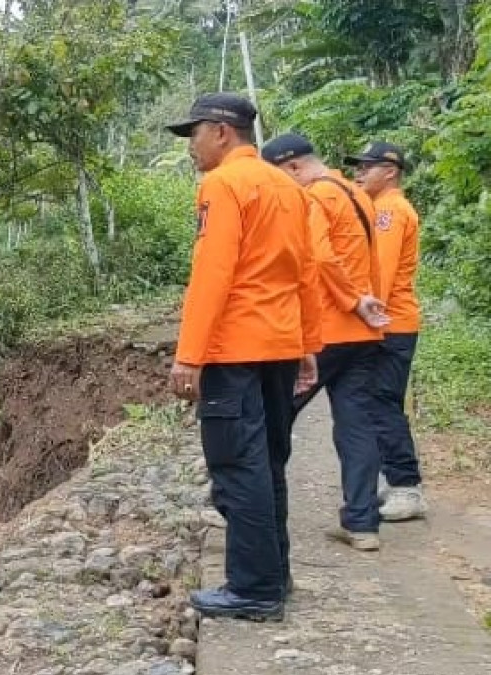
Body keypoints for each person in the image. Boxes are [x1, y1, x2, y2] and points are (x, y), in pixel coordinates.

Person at [166, 93, 322, 621]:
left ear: (221, 132)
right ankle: (275, 574)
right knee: (270, 460)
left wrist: (189, 355)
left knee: (238, 464)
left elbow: (214, 272)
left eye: (194, 134)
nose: (192, 146)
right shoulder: (289, 188)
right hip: (278, 344)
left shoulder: (223, 185)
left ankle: (254, 589)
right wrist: (306, 345)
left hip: (235, 349)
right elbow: (307, 271)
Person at [261, 133, 390, 552]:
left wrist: (352, 300)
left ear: (294, 167)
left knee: (273, 416)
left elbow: (318, 257)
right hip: (363, 335)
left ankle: (244, 505)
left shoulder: (315, 197)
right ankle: (362, 522)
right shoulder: (357, 193)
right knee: (357, 425)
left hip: (328, 332)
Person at [347, 141, 427, 522]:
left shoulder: (390, 211)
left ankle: (405, 486)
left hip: (390, 322)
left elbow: (381, 270)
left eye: (367, 167)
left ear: (390, 171)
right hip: (389, 321)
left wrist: (366, 311)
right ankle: (396, 480)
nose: (359, 174)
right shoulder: (378, 208)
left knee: (382, 402)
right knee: (379, 401)